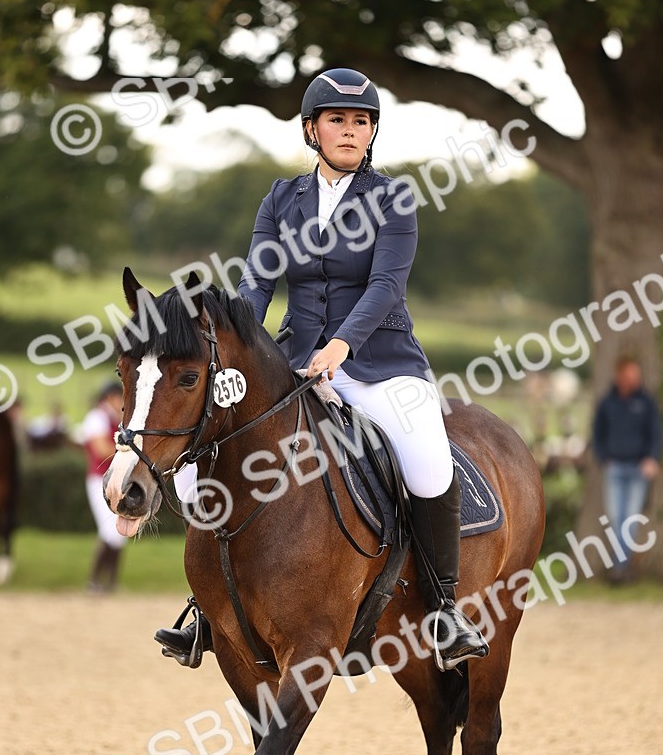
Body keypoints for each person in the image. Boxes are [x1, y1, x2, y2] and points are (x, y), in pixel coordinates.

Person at [155, 66, 488, 670]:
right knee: (203, 458)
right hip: (293, 363)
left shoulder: (393, 199)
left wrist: (342, 346)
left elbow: (386, 286)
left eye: (361, 121)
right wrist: (235, 344)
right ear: (312, 129)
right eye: (338, 120)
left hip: (381, 362)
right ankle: (207, 605)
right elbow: (257, 283)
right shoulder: (281, 199)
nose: (351, 130)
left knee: (429, 461)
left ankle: (444, 609)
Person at [592, 356, 663, 581]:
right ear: (619, 375)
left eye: (636, 375)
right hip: (614, 468)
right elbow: (597, 434)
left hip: (637, 469)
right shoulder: (607, 403)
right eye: (629, 375)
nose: (633, 379)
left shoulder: (646, 402)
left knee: (630, 518)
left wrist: (652, 459)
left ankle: (620, 567)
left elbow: (656, 434)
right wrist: (604, 458)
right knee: (616, 518)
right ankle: (621, 567)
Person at [81, 380, 127, 592]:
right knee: (110, 531)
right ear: (110, 397)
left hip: (116, 479)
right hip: (99, 479)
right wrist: (128, 447)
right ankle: (95, 580)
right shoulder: (97, 417)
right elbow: (101, 449)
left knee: (119, 533)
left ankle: (110, 582)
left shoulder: (117, 418)